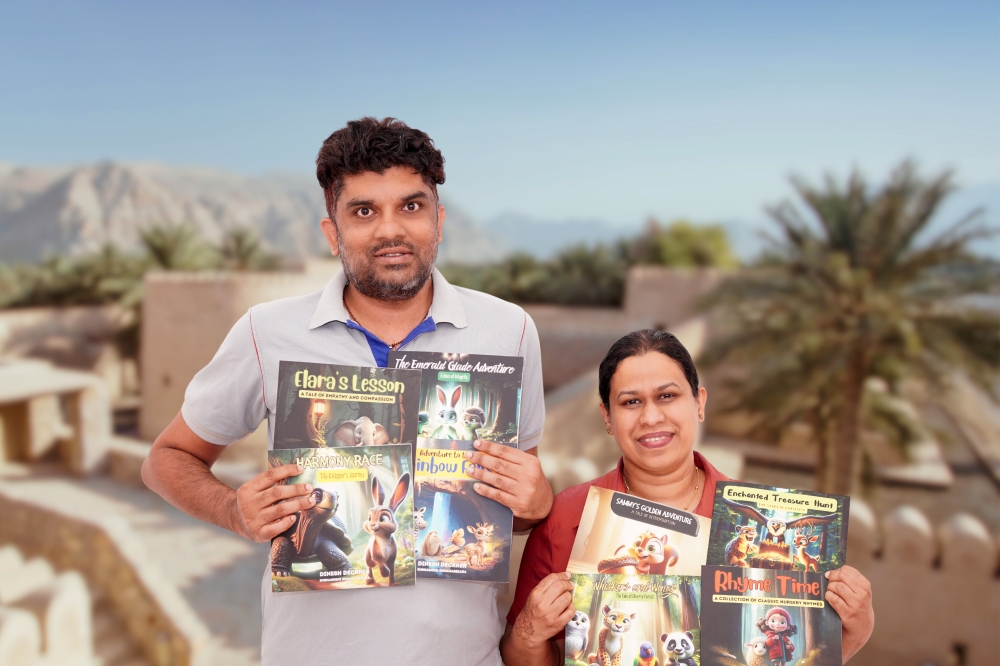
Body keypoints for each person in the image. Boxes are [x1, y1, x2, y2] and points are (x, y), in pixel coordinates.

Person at [141, 117, 553, 666]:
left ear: (439, 220)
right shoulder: (267, 332)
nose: (391, 230)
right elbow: (165, 460)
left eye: (411, 206)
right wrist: (233, 511)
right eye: (363, 211)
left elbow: (515, 509)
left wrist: (538, 501)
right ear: (332, 232)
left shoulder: (510, 330)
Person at [500, 329, 875, 665]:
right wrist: (530, 631)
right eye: (630, 402)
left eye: (667, 396)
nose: (650, 417)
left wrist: (856, 628)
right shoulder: (567, 516)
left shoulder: (753, 523)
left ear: (699, 403)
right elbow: (519, 655)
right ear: (607, 417)